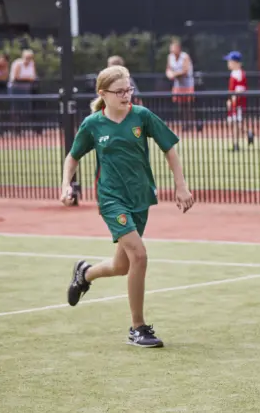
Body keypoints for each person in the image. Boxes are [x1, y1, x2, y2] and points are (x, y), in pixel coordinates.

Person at [62, 66, 194, 348]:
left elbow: (169, 148)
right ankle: (138, 327)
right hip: (111, 199)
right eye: (119, 91)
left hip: (141, 197)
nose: (126, 95)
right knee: (140, 255)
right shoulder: (93, 124)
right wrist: (65, 185)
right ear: (103, 94)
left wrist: (180, 185)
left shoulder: (142, 116)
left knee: (122, 265)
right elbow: (72, 157)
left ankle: (84, 274)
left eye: (129, 89)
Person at [224, 51, 254, 151]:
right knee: (235, 123)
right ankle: (248, 133)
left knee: (236, 123)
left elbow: (239, 90)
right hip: (236, 103)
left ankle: (236, 144)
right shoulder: (235, 73)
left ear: (236, 62)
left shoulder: (238, 74)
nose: (228, 63)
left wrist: (232, 101)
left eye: (230, 61)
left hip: (238, 104)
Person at [166, 38, 196, 129]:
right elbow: (168, 69)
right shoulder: (170, 57)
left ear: (178, 48)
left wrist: (174, 74)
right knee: (180, 105)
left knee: (188, 105)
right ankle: (183, 124)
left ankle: (190, 124)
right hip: (178, 84)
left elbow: (185, 71)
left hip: (187, 84)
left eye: (174, 48)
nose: (172, 50)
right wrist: (169, 74)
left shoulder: (185, 56)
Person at [8, 49, 38, 134]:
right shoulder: (18, 63)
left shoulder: (32, 64)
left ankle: (26, 129)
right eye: (27, 57)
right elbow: (16, 77)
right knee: (16, 109)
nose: (29, 59)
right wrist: (28, 78)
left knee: (26, 109)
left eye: (30, 58)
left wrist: (29, 79)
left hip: (26, 89)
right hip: (15, 89)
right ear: (23, 57)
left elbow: (34, 77)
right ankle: (16, 130)